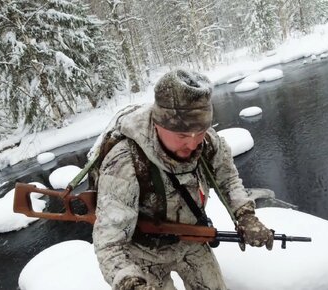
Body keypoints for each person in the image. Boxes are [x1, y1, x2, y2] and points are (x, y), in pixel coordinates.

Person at [92, 69, 274, 290]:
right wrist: (129, 282)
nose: (193, 143)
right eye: (182, 136)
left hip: (191, 239)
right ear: (159, 124)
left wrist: (245, 216)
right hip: (143, 252)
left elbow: (228, 180)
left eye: (200, 131)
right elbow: (109, 243)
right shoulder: (125, 162)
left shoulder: (208, 143)